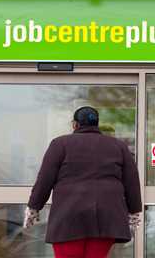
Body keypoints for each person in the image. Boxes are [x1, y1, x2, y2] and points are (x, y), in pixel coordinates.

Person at [23, 106, 142, 258]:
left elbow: (45, 179)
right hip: (106, 217)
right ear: (96, 124)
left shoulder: (60, 144)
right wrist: (134, 212)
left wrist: (34, 207)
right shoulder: (119, 146)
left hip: (69, 215)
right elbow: (131, 181)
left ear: (75, 124)